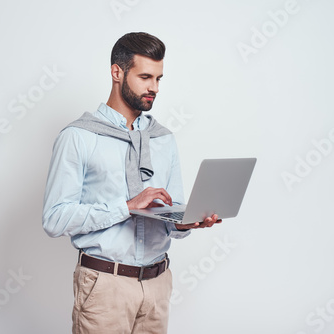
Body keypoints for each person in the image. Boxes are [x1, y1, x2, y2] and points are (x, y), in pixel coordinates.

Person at [42, 32, 221, 334]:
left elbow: (169, 212)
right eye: (145, 77)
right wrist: (125, 207)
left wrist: (184, 223)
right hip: (104, 288)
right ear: (117, 72)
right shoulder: (79, 137)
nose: (154, 88)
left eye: (159, 79)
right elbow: (55, 218)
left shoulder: (163, 139)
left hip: (157, 286)